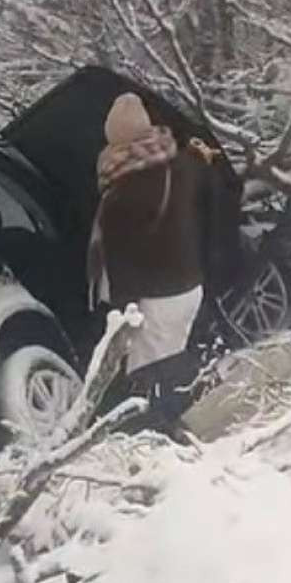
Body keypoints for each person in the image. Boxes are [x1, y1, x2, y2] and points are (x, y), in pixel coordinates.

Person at [88, 92, 213, 437]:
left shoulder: (121, 195)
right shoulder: (179, 163)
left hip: (157, 298)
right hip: (189, 285)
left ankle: (170, 439)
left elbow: (121, 262)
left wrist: (123, 314)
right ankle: (181, 426)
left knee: (148, 377)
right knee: (172, 362)